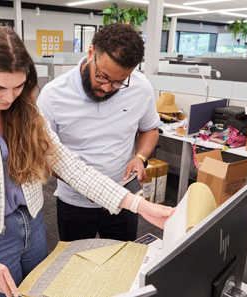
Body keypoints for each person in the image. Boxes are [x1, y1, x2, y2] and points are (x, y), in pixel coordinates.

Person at [0, 26, 174, 297]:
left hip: (33, 224)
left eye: (18, 86)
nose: (8, 98)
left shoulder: (26, 114)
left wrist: (138, 205)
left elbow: (70, 166)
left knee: (40, 293)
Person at [37, 23, 160, 242]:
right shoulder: (53, 95)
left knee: (122, 264)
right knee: (75, 266)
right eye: (102, 76)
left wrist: (140, 157)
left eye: (119, 82)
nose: (106, 88)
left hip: (124, 198)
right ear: (91, 52)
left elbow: (150, 129)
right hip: (76, 203)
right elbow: (45, 155)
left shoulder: (141, 88)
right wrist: (86, 185)